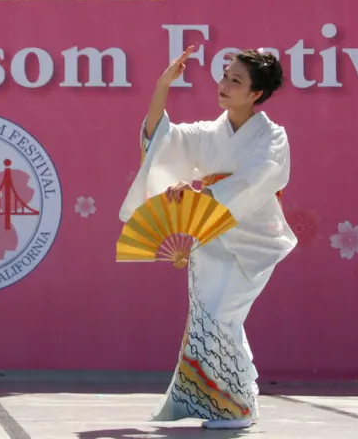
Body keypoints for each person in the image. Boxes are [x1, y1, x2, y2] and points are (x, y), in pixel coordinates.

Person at [118, 46, 294, 430]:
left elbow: (258, 180)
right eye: (225, 76)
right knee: (210, 318)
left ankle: (237, 406)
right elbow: (161, 139)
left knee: (222, 315)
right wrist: (162, 87)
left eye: (236, 80)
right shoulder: (208, 132)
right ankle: (234, 397)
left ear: (256, 94)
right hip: (209, 235)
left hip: (251, 240)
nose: (225, 84)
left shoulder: (272, 137)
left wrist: (206, 195)